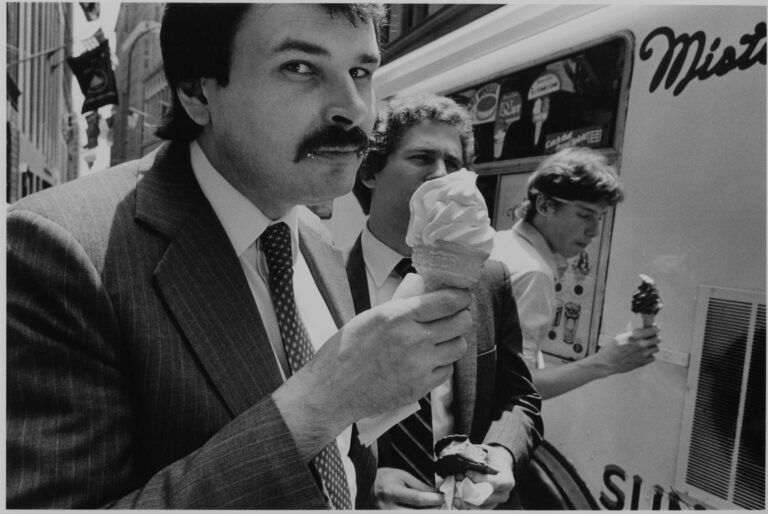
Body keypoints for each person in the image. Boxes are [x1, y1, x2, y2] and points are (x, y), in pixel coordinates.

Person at [6, 5, 476, 509]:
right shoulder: (60, 250)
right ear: (196, 92)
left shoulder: (317, 241)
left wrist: (365, 479)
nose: (353, 109)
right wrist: (324, 400)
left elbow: (330, 453)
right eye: (300, 67)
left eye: (361, 72)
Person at [348, 93, 543, 509]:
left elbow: (520, 398)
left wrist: (503, 453)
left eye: (453, 164)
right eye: (421, 158)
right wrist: (361, 478)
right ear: (369, 172)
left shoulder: (489, 278)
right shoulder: (318, 278)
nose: (441, 174)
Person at [490, 146, 660, 400]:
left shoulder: (501, 242)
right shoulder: (533, 272)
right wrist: (606, 362)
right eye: (584, 215)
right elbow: (511, 387)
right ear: (545, 205)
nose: (594, 231)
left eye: (600, 218)